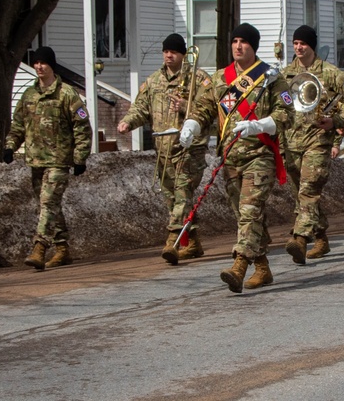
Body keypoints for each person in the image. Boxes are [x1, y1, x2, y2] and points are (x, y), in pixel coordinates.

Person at [180, 23, 291, 293]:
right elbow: (203, 108)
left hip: (260, 155)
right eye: (235, 41)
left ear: (253, 47)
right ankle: (262, 267)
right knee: (245, 216)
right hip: (230, 157)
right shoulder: (221, 78)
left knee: (250, 210)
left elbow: (288, 114)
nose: (238, 46)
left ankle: (239, 266)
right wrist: (192, 124)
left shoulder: (271, 77)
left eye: (244, 42)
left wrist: (261, 125)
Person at [118, 33, 213, 264]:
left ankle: (172, 239)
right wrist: (128, 122)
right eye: (166, 51)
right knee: (172, 198)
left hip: (188, 149)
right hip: (163, 150)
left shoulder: (198, 79)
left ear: (182, 54)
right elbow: (141, 108)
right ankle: (193, 241)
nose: (169, 55)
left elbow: (209, 111)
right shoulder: (153, 82)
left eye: (174, 52)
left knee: (182, 194)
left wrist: (185, 108)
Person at [5, 46, 92, 270]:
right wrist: (10, 146)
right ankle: (62, 249)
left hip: (59, 161)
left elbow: (82, 127)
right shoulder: (29, 95)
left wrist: (80, 157)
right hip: (36, 161)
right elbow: (18, 126)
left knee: (48, 202)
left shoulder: (67, 94)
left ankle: (39, 247)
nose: (39, 66)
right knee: (50, 206)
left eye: (43, 63)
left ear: (51, 65)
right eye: (36, 63)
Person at [280, 25, 344, 264]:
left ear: (312, 45)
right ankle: (321, 237)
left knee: (309, 190)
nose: (299, 47)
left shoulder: (331, 73)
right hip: (292, 143)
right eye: (295, 43)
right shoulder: (285, 75)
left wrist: (336, 121)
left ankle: (300, 238)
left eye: (303, 43)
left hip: (318, 142)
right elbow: (278, 104)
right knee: (301, 196)